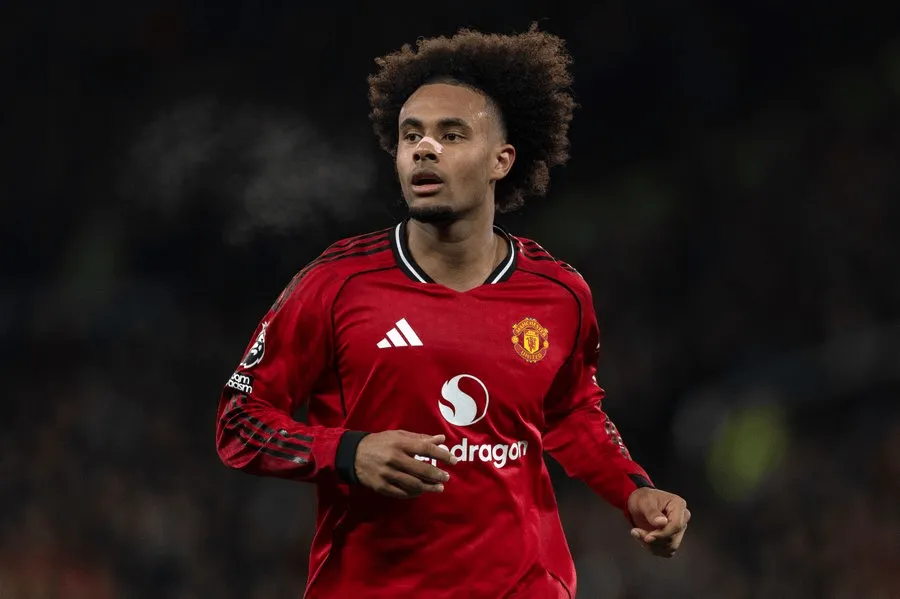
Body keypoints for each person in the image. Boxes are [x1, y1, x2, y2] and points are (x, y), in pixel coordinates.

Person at [216, 24, 690, 598]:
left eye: (452, 134)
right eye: (411, 134)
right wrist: (346, 452)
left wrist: (633, 488)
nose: (425, 148)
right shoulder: (336, 284)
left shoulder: (559, 293)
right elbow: (240, 422)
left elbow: (570, 413)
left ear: (501, 160)